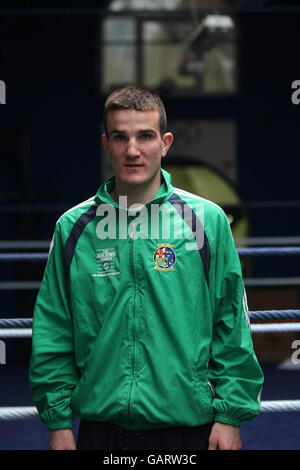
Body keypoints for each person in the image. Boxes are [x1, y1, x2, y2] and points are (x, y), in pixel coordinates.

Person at [29, 85, 264, 451]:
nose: (133, 150)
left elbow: (231, 323)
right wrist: (58, 423)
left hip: (188, 430)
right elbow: (55, 329)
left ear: (165, 143)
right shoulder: (73, 228)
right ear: (106, 144)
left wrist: (230, 415)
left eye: (146, 136)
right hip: (100, 431)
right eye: (120, 137)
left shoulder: (207, 221)